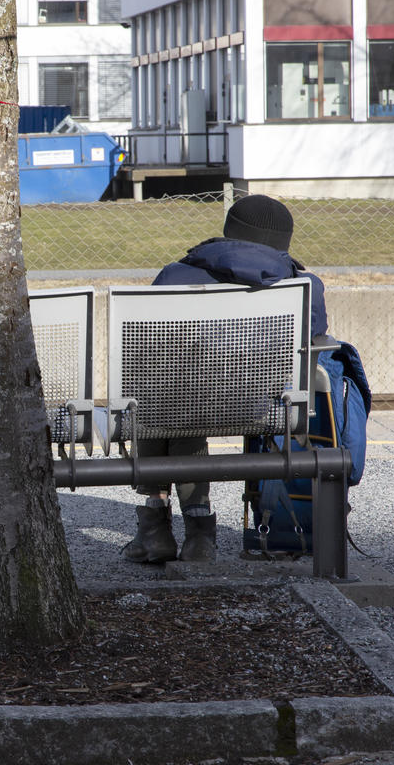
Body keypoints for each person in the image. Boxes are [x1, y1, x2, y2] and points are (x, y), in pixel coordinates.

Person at [122, 194, 328, 564]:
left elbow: (146, 345)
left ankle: (157, 527)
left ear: (230, 230)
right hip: (262, 407)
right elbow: (316, 342)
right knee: (184, 399)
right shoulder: (303, 284)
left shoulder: (177, 275)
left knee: (165, 394)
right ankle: (199, 536)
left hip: (174, 410)